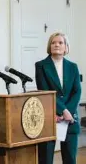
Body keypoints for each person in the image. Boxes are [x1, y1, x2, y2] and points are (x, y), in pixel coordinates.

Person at [35, 32, 81, 164]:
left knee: (70, 159)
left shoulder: (73, 67)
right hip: (50, 116)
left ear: (66, 47)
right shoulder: (41, 65)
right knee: (46, 158)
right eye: (53, 43)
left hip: (70, 119)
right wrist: (63, 111)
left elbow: (77, 91)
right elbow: (45, 91)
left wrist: (69, 112)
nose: (56, 45)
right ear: (49, 46)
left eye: (60, 43)